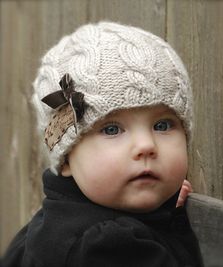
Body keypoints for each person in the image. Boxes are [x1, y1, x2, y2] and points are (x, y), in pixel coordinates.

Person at [2, 21, 203, 267]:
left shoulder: (47, 226)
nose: (146, 145)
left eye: (162, 125)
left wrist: (169, 216)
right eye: (112, 129)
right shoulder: (107, 248)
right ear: (66, 159)